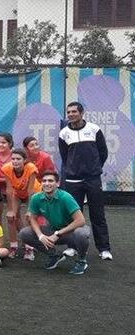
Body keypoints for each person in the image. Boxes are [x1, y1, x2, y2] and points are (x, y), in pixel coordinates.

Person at [58, 101, 112, 260]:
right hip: (73, 180)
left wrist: (94, 169)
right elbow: (65, 157)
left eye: (74, 111)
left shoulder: (94, 129)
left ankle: (104, 249)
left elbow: (103, 152)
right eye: (68, 112)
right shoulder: (63, 133)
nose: (70, 114)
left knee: (98, 214)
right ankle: (72, 247)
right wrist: (73, 170)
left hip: (93, 179)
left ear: (82, 113)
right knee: (73, 215)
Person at [19, 171, 92, 275]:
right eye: (44, 181)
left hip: (71, 232)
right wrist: (40, 236)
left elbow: (81, 221)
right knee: (24, 233)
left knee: (81, 234)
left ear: (57, 184)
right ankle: (54, 255)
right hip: (53, 231)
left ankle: (81, 261)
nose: (47, 183)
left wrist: (58, 234)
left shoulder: (65, 197)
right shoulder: (36, 198)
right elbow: (32, 218)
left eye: (50, 181)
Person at [1, 149, 41, 260]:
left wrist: (30, 210)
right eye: (13, 159)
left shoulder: (31, 168)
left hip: (35, 194)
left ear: (24, 160)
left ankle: (29, 248)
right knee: (11, 217)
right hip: (17, 193)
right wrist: (10, 210)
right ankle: (13, 247)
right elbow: (9, 190)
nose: (15, 161)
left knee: (30, 217)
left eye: (18, 159)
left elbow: (31, 191)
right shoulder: (7, 168)